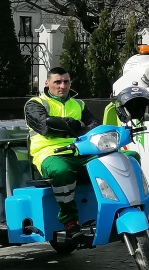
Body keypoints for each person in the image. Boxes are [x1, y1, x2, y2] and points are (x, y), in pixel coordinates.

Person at [24, 67, 99, 241]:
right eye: (57, 82)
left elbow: (95, 126)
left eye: (66, 81)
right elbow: (46, 126)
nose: (62, 86)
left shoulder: (78, 104)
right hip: (49, 154)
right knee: (61, 171)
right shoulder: (36, 103)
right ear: (47, 83)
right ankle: (70, 222)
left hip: (80, 152)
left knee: (115, 162)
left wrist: (71, 126)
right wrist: (75, 127)